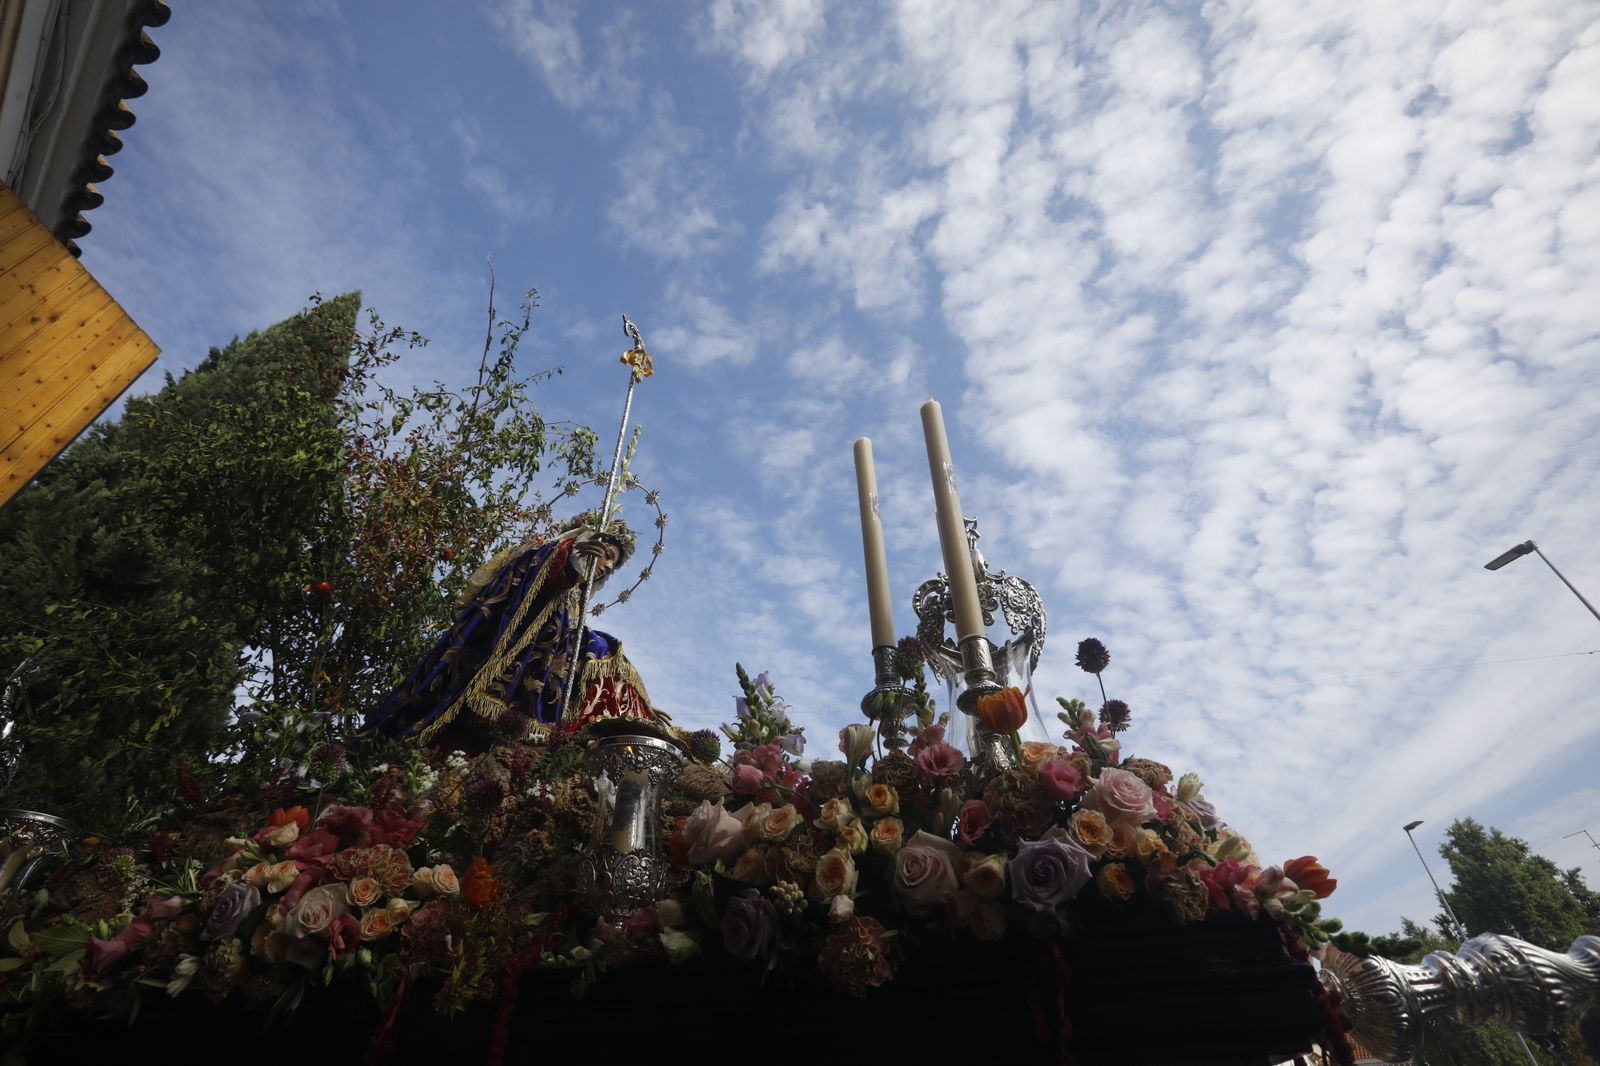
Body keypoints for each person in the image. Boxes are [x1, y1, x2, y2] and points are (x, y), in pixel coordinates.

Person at [370, 521, 659, 752]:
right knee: (600, 645)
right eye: (607, 555)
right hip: (508, 659)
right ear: (588, 540)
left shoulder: (576, 598)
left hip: (545, 668)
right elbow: (537, 585)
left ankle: (637, 721)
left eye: (613, 565)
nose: (607, 566)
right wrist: (571, 560)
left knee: (602, 648)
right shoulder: (546, 555)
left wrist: (635, 704)